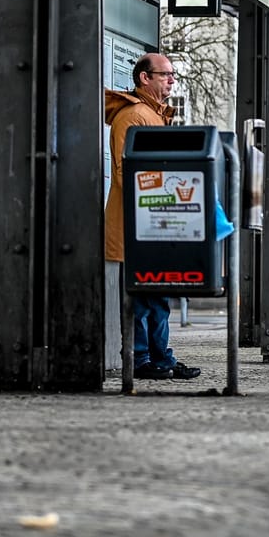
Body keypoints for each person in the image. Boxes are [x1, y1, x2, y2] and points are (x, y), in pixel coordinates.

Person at [107, 52, 200, 381]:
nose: (171, 79)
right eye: (165, 74)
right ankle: (143, 358)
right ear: (144, 78)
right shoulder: (134, 117)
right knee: (144, 297)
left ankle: (161, 357)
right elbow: (125, 173)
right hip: (138, 224)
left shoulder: (152, 115)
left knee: (158, 295)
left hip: (154, 221)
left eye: (172, 74)